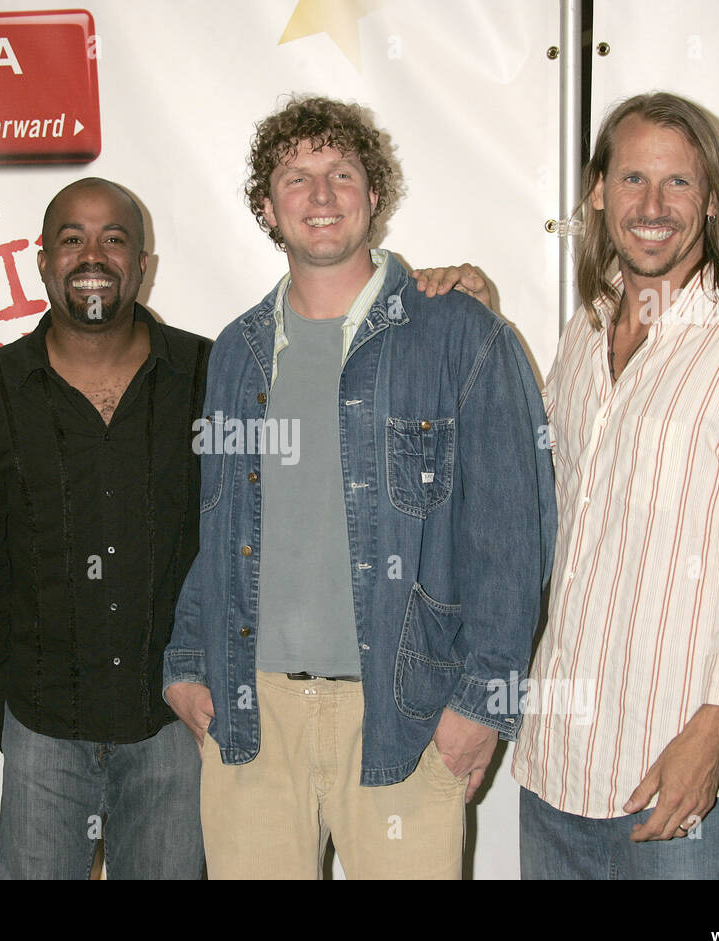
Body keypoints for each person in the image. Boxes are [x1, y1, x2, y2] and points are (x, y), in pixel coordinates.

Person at [163, 95, 556, 879]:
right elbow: (218, 523)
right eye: (295, 176)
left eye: (340, 173)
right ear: (267, 208)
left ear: (374, 195)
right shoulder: (237, 351)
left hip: (404, 713)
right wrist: (184, 663)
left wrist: (482, 704)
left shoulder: (462, 337)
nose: (319, 194)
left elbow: (515, 535)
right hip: (251, 712)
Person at [511, 92, 719, 879]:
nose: (652, 207)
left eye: (679, 184)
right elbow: (543, 504)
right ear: (597, 192)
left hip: (682, 774)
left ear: (712, 200)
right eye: (632, 180)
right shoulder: (584, 333)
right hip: (555, 765)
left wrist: (712, 737)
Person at [0, 178, 212, 879]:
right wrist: (7, 708)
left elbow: (249, 544)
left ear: (142, 264)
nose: (92, 254)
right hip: (40, 731)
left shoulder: (209, 375)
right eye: (72, 238)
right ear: (42, 260)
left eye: (114, 239)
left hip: (174, 730)